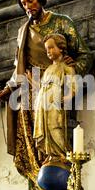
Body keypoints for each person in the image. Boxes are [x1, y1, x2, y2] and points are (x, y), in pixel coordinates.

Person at [0, 0, 92, 190]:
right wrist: (8, 89)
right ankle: (39, 186)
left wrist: (71, 67)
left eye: (31, 0)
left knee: (54, 134)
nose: (28, 6)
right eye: (24, 3)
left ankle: (61, 186)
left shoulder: (61, 22)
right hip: (30, 89)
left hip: (54, 86)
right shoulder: (23, 31)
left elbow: (85, 55)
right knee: (33, 137)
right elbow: (18, 68)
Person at [33, 33, 77, 165]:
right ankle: (51, 154)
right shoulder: (48, 70)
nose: (49, 52)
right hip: (43, 102)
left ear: (61, 48)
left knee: (55, 126)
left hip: (55, 102)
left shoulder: (67, 66)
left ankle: (62, 153)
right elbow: (42, 87)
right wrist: (31, 81)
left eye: (51, 48)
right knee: (45, 128)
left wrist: (69, 96)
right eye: (47, 49)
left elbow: (73, 85)